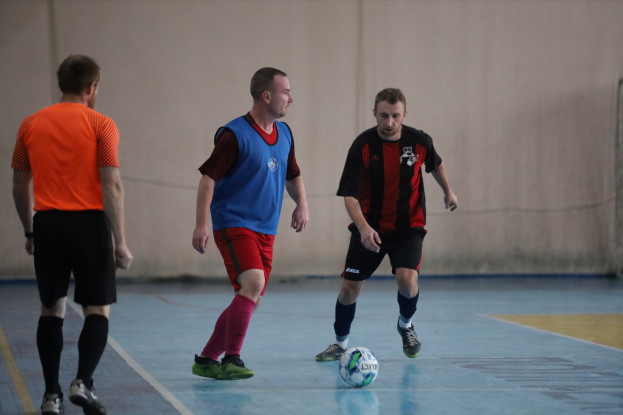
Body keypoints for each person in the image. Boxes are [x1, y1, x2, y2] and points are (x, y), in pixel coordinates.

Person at [11, 54, 133, 415]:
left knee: (51, 309)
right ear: (91, 87)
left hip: (48, 224)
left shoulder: (30, 124)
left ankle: (51, 395)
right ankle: (83, 381)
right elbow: (111, 186)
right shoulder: (101, 125)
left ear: (61, 83)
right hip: (89, 226)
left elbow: (19, 185)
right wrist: (121, 241)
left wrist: (30, 230)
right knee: (97, 308)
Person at [316, 88, 458, 362]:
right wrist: (363, 228)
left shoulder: (420, 142)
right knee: (349, 289)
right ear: (374, 114)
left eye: (395, 116)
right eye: (383, 116)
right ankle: (340, 343)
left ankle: (406, 325)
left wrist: (448, 192)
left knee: (407, 280)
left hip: (408, 227)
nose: (389, 122)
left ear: (404, 114)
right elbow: (349, 196)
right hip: (369, 228)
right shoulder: (362, 146)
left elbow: (436, 164)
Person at [191, 67, 309, 380]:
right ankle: (232, 358)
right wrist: (201, 224)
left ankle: (206, 359)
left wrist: (302, 204)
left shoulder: (285, 134)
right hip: (234, 222)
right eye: (286, 92)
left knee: (252, 297)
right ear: (267, 96)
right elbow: (208, 179)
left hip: (266, 229)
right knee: (253, 284)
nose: (291, 99)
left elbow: (293, 174)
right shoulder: (234, 135)